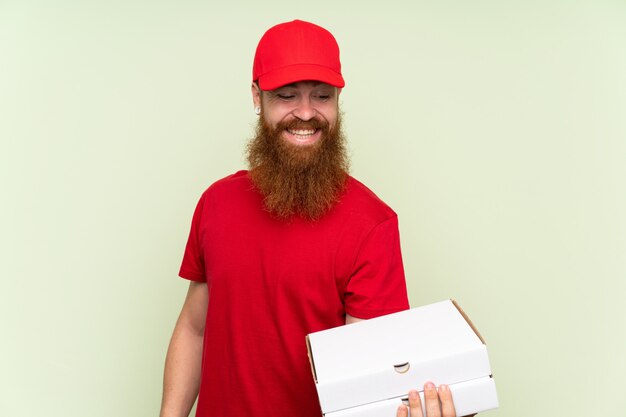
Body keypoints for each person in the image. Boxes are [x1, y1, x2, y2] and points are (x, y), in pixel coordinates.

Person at [159, 19, 461, 417]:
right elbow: (195, 329)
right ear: (257, 96)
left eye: (322, 96)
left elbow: (369, 377)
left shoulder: (372, 224)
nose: (306, 113)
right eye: (286, 95)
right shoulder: (216, 203)